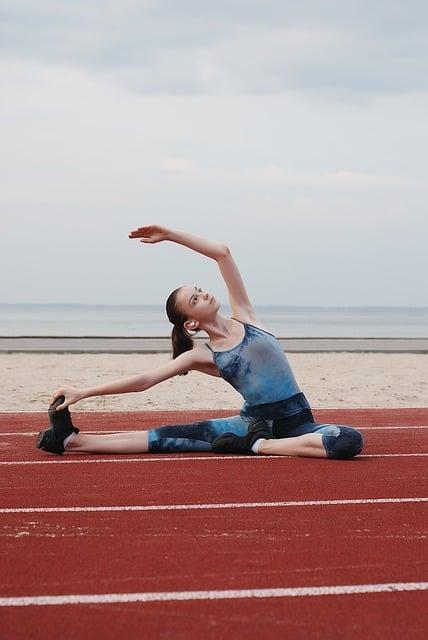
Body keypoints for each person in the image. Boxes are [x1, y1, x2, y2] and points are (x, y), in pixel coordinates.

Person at [36, 225, 364, 459]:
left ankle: (258, 447)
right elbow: (144, 381)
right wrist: (83, 392)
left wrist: (170, 235)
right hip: (251, 424)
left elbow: (222, 253)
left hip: (296, 425)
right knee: (166, 438)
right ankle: (72, 442)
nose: (204, 292)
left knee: (347, 441)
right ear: (192, 322)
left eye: (198, 289)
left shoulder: (245, 315)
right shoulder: (203, 354)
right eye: (195, 298)